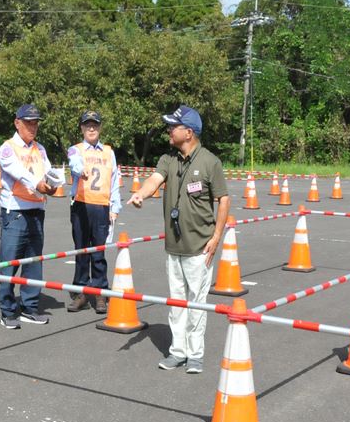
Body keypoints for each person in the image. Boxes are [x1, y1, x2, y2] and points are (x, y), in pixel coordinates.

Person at [126, 105, 230, 374]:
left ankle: (195, 355)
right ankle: (177, 352)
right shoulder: (168, 160)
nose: (169, 130)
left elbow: (223, 200)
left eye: (174, 126)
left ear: (190, 132)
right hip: (173, 247)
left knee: (196, 304)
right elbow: (154, 179)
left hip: (199, 248)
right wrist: (140, 194)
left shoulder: (210, 162)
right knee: (176, 303)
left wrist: (216, 236)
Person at [0, 104, 57, 329]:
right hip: (15, 212)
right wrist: (40, 184)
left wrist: (53, 184)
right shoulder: (8, 147)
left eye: (36, 122)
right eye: (29, 122)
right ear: (17, 122)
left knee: (33, 262)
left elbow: (48, 172)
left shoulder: (40, 149)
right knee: (10, 262)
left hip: (36, 211)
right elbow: (19, 173)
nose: (33, 127)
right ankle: (8, 310)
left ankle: (30, 307)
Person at [66, 110, 121, 314]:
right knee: (81, 250)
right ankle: (80, 291)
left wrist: (114, 208)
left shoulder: (108, 152)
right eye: (87, 125)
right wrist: (80, 169)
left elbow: (114, 180)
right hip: (81, 205)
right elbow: (74, 164)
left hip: (101, 207)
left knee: (99, 251)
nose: (91, 128)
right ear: (81, 128)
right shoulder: (75, 149)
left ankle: (99, 291)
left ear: (99, 127)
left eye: (95, 125)